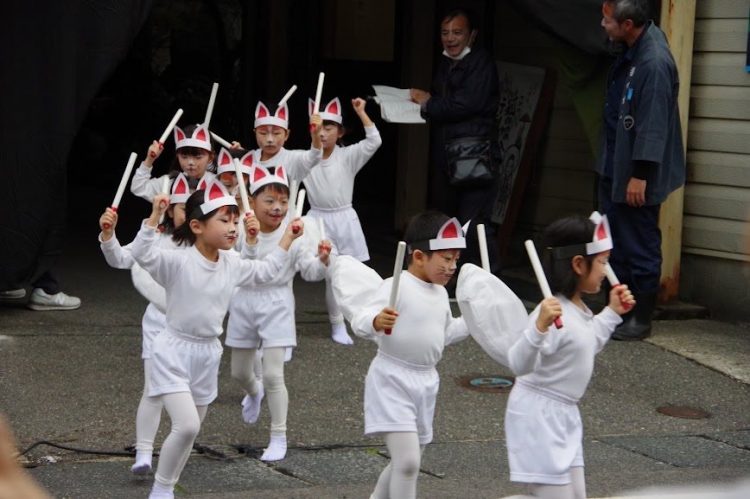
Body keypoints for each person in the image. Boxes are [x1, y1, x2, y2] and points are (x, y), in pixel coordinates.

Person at [128, 180, 302, 499]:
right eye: (224, 220)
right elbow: (142, 253)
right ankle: (161, 489)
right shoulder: (177, 262)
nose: (233, 227)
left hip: (208, 354)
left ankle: (165, 486)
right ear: (196, 226)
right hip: (172, 351)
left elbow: (264, 271)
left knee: (189, 434)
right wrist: (154, 216)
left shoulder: (232, 263)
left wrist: (288, 237)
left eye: (235, 220)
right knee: (187, 426)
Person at [504, 213, 634, 499]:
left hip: (565, 415)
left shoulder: (578, 311)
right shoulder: (550, 313)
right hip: (538, 415)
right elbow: (518, 364)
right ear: (578, 264)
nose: (605, 270)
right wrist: (538, 329)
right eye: (601, 262)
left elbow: (584, 344)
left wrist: (612, 313)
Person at [348, 212, 470, 499]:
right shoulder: (397, 285)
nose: (452, 267)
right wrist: (376, 321)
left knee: (407, 459)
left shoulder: (440, 294)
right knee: (408, 462)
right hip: (392, 379)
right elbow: (361, 318)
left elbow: (444, 334)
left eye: (456, 260)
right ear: (418, 256)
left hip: (426, 383)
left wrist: (476, 321)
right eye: (446, 259)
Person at [225, 163, 331, 462]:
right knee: (239, 372)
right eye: (269, 201)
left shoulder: (295, 232)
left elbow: (308, 272)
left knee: (274, 374)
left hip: (278, 304)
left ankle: (278, 435)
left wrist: (322, 260)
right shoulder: (241, 231)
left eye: (283, 202)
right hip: (244, 301)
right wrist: (252, 239)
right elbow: (242, 268)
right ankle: (254, 391)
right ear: (252, 202)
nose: (277, 208)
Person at [598, 0, 685, 341]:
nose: (603, 26)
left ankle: (642, 316)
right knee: (616, 239)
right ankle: (623, 307)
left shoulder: (653, 62)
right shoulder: (630, 49)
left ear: (629, 24)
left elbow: (653, 126)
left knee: (639, 241)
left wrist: (641, 175)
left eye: (608, 21)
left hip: (637, 172)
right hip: (616, 162)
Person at [98, 173, 191, 475]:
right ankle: (144, 451)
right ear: (170, 209)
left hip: (192, 330)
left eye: (194, 209)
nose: (188, 215)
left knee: (187, 396)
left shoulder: (206, 244)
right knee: (152, 389)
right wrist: (109, 236)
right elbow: (121, 259)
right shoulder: (154, 238)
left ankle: (177, 455)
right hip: (157, 324)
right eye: (182, 208)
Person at [409, 8, 501, 276]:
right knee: (447, 221)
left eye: (457, 32)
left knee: (474, 224)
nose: (450, 38)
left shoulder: (481, 63)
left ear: (472, 35)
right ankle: (452, 276)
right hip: (448, 156)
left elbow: (465, 104)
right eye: (445, 33)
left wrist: (429, 103)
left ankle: (489, 279)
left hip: (475, 156)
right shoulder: (447, 63)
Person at [303, 96, 382, 345]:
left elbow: (374, 140)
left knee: (355, 271)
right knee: (331, 273)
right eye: (319, 127)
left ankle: (363, 317)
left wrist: (361, 112)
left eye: (329, 128)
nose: (324, 133)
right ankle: (337, 325)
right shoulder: (304, 159)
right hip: (317, 219)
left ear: (339, 132)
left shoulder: (348, 156)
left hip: (345, 218)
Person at [130, 123, 216, 202]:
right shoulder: (168, 182)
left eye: (198, 157)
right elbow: (138, 187)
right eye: (184, 157)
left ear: (210, 158)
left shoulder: (218, 183)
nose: (190, 162)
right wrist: (149, 160)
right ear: (177, 156)